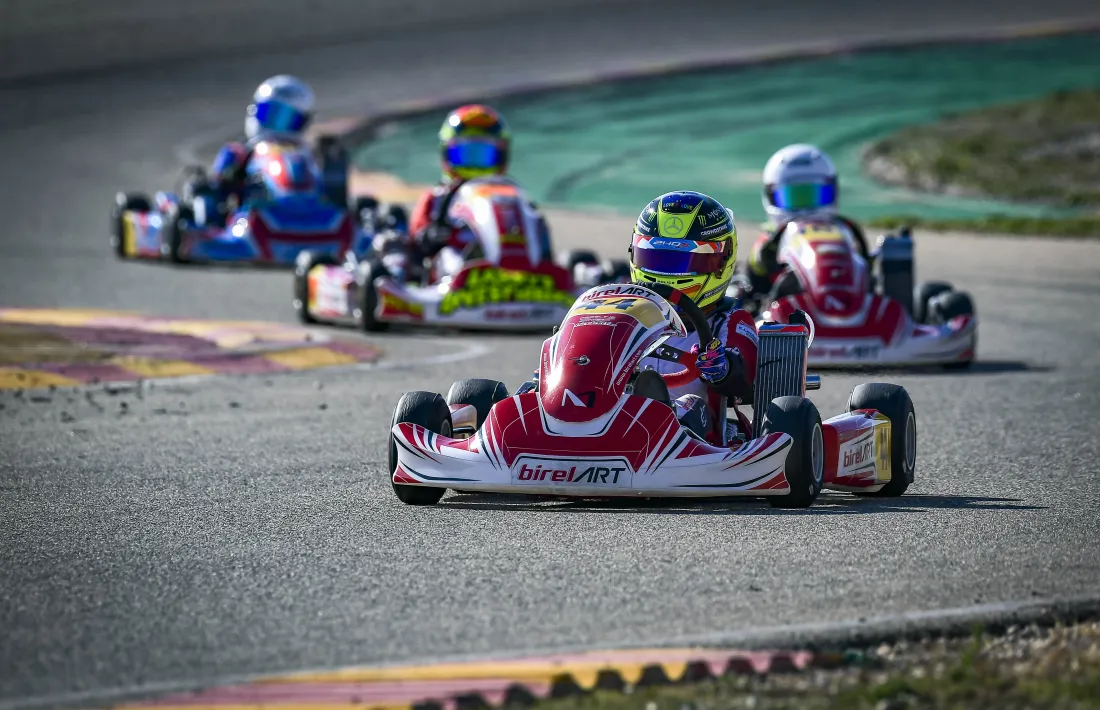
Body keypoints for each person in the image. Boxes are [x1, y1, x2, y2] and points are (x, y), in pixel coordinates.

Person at [628, 190, 759, 444]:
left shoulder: (729, 320)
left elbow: (745, 377)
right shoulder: (627, 313)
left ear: (720, 263)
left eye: (682, 262)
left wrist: (724, 368)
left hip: (694, 438)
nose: (666, 274)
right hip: (621, 417)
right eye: (656, 258)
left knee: (689, 404)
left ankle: (657, 419)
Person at [745, 144, 869, 297]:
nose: (805, 210)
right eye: (792, 197)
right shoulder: (767, 243)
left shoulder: (848, 232)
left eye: (816, 195)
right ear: (770, 196)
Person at [407, 104, 512, 258]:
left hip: (505, 266)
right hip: (451, 268)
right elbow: (416, 243)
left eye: (483, 155)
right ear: (447, 153)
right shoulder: (436, 199)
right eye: (465, 154)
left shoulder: (510, 200)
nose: (475, 165)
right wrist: (430, 237)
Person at [203, 75, 316, 217]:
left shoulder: (310, 157)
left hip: (308, 214)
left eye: (286, 119)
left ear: (301, 123)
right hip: (246, 221)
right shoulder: (238, 154)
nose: (276, 127)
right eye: (269, 114)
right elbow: (214, 195)